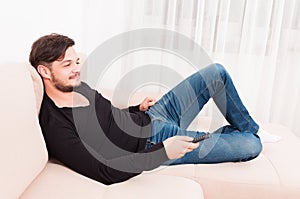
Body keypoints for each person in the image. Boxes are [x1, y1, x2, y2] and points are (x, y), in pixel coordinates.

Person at [30, 33, 265, 185]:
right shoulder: (56, 125)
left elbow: (108, 117)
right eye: (67, 65)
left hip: (154, 115)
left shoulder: (78, 87)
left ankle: (248, 128)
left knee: (216, 72)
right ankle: (244, 134)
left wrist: (136, 108)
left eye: (76, 62)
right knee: (252, 145)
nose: (76, 69)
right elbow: (104, 171)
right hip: (154, 142)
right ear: (44, 71)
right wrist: (164, 152)